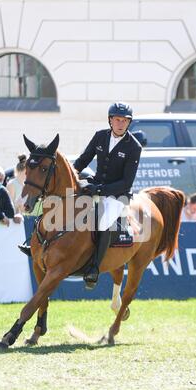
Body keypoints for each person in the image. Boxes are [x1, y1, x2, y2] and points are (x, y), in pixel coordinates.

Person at [73, 101, 142, 289]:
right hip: (96, 185)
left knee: (102, 222)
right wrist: (72, 174)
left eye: (124, 120)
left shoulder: (134, 147)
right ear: (110, 120)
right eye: (117, 119)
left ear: (129, 123)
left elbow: (126, 182)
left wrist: (100, 190)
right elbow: (82, 160)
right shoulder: (100, 136)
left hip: (117, 195)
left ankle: (94, 268)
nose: (120, 123)